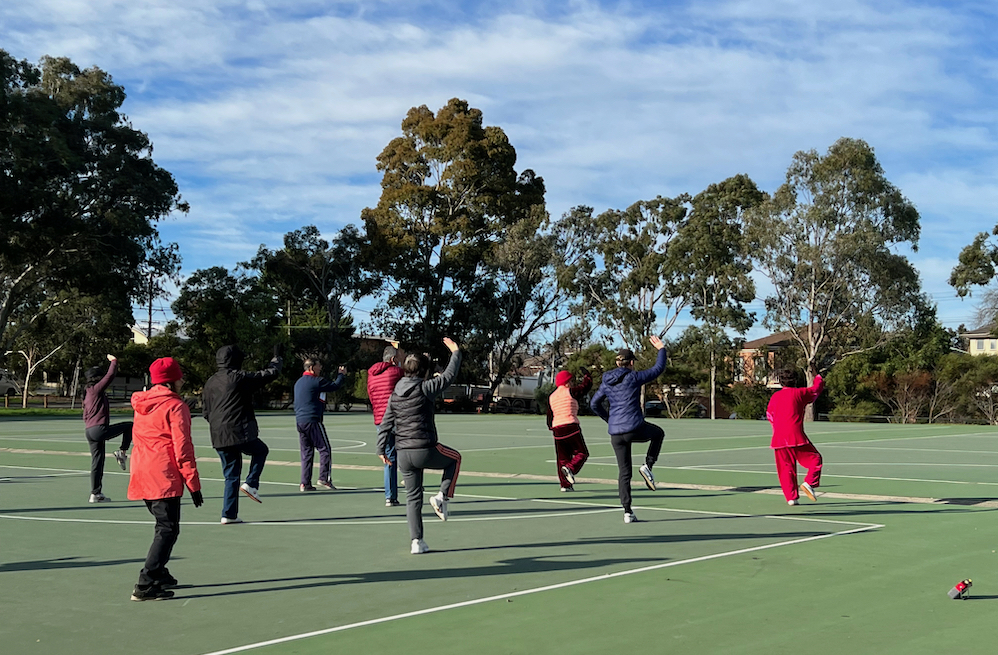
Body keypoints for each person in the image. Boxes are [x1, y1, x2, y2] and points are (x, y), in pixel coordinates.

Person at [128, 357, 203, 601]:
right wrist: (193, 483)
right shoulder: (175, 406)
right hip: (164, 474)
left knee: (164, 525)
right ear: (173, 380)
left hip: (142, 471)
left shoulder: (141, 403)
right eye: (180, 376)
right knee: (167, 529)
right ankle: (146, 582)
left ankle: (159, 572)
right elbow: (183, 447)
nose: (182, 380)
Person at [377, 337, 462, 554]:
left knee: (413, 497)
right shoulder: (425, 388)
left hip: (403, 453)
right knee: (454, 459)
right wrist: (456, 352)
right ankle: (442, 496)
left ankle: (416, 541)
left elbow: (386, 423)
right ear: (423, 371)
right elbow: (449, 376)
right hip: (425, 448)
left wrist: (380, 449)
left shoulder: (395, 394)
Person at [202, 344, 282, 524]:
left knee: (231, 474)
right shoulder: (238, 377)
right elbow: (267, 375)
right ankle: (252, 483)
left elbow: (206, 412)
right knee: (260, 450)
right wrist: (276, 362)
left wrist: (218, 425)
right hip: (238, 430)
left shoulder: (210, 382)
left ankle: (228, 514)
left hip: (219, 435)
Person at [590, 336, 667, 524]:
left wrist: (609, 420)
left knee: (624, 472)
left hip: (615, 433)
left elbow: (594, 404)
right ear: (631, 363)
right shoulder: (633, 377)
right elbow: (658, 369)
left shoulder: (607, 381)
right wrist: (661, 349)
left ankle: (627, 512)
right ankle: (648, 465)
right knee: (658, 434)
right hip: (634, 427)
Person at [767, 368, 824, 506]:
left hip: (779, 438)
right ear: (796, 380)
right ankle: (809, 482)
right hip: (795, 435)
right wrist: (819, 377)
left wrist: (778, 428)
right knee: (815, 459)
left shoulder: (775, 397)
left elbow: (770, 415)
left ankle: (791, 497)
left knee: (786, 468)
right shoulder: (800, 393)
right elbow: (816, 390)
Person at [82, 354, 133, 503]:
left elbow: (85, 414)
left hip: (89, 431)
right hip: (99, 429)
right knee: (130, 425)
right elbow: (110, 375)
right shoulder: (96, 390)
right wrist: (114, 361)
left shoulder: (87, 393)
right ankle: (122, 452)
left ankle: (95, 494)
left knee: (97, 462)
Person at [293, 357, 347, 492]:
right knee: (325, 449)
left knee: (306, 452)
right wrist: (341, 375)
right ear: (311, 368)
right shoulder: (316, 381)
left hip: (300, 421)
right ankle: (324, 478)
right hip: (313, 420)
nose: (321, 368)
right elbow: (335, 386)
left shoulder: (298, 382)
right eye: (318, 366)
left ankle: (305, 483)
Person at [367, 343, 404, 506]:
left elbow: (371, 396)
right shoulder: (396, 371)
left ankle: (390, 496)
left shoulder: (371, 375)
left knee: (389, 457)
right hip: (395, 418)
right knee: (410, 448)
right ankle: (412, 482)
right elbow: (409, 381)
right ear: (393, 359)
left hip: (380, 420)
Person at [546, 368, 592, 491]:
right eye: (571, 381)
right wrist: (587, 376)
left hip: (557, 429)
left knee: (562, 458)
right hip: (570, 426)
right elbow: (585, 387)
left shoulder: (552, 396)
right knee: (582, 453)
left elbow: (549, 415)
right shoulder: (570, 392)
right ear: (567, 382)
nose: (572, 383)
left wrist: (552, 427)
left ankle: (565, 485)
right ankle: (571, 468)